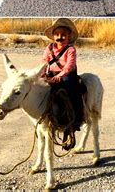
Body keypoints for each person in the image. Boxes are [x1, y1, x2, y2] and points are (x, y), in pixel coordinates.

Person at [41, 18, 84, 150]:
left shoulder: (71, 49)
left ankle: (76, 119)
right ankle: (46, 120)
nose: (60, 37)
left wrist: (59, 76)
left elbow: (69, 66)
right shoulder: (49, 48)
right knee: (40, 91)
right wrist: (43, 74)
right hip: (52, 75)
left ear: (69, 35)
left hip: (66, 75)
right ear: (53, 36)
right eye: (57, 35)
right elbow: (44, 62)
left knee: (73, 93)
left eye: (63, 34)